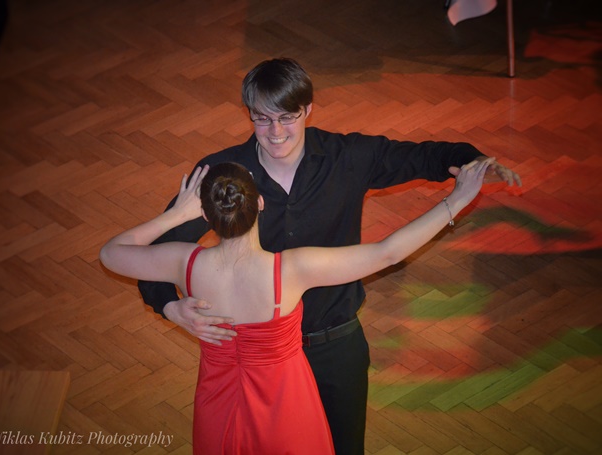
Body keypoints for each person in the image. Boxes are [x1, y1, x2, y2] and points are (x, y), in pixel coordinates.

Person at [138, 58, 522, 454]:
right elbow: (153, 251)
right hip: (261, 359)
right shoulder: (221, 176)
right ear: (248, 113)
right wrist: (169, 306)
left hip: (335, 345)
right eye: (262, 119)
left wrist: (475, 161)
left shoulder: (348, 156)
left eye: (287, 117)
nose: (275, 132)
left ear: (308, 109)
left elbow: (425, 156)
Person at [101, 159, 493, 454]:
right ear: (260, 204)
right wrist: (457, 199)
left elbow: (111, 253)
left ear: (205, 214)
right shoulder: (290, 270)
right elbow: (387, 252)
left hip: (217, 406)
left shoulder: (183, 262)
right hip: (285, 409)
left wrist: (176, 214)